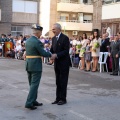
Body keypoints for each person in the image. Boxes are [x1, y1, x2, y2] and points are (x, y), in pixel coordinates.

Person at [25, 24, 52, 110]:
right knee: (34, 84)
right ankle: (29, 102)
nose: (41, 34)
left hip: (28, 64)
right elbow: (43, 53)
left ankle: (33, 100)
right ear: (39, 32)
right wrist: (51, 54)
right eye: (41, 32)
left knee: (32, 84)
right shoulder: (37, 42)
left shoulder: (28, 40)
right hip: (36, 64)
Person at [50, 23, 71, 105]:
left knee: (63, 81)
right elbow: (52, 50)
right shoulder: (53, 38)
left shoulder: (65, 38)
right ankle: (57, 98)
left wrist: (57, 55)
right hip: (57, 63)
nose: (53, 31)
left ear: (59, 29)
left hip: (64, 63)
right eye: (52, 29)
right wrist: (48, 53)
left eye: (54, 29)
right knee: (57, 81)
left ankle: (63, 99)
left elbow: (66, 51)